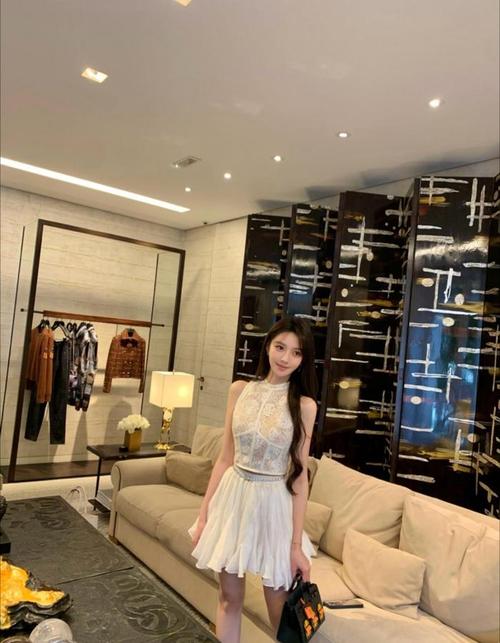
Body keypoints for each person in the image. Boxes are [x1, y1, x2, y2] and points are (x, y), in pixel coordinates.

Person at [189, 316, 318, 643]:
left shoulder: (304, 406)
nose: (285, 358)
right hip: (233, 497)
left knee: (280, 612)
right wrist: (204, 516)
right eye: (280, 347)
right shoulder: (240, 390)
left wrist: (295, 546)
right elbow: (225, 458)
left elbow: (299, 478)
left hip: (274, 502)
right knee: (229, 599)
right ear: (268, 346)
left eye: (296, 352)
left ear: (303, 360)